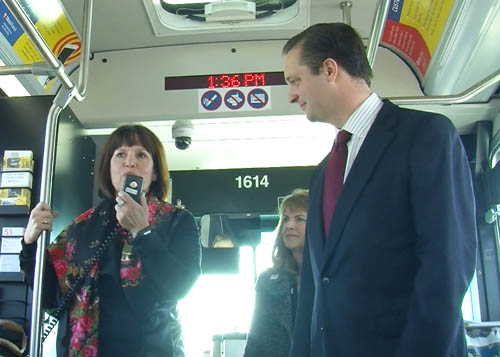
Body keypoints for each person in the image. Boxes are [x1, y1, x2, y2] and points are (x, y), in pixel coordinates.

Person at [283, 23, 477, 357]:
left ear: (329, 69)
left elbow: (446, 265)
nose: (292, 95)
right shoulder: (322, 173)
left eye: (295, 80)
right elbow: (317, 288)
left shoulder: (424, 136)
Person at [20, 125, 201, 357]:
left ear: (155, 172)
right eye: (121, 154)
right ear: (109, 167)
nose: (130, 162)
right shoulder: (82, 227)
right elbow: (50, 297)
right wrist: (29, 243)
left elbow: (182, 284)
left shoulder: (177, 220)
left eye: (141, 154)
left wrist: (142, 231)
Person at [244, 188, 308, 357]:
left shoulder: (330, 279)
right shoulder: (268, 281)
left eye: (299, 219)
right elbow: (255, 341)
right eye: (285, 219)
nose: (289, 225)